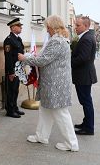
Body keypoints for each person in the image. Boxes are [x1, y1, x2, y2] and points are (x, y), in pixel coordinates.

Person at [18, 15, 79, 152]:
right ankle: (41, 136)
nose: (47, 30)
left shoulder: (57, 41)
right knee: (45, 109)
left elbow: (43, 60)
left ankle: (71, 143)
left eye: (48, 28)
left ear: (54, 27)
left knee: (60, 112)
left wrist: (25, 58)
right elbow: (45, 58)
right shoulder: (59, 40)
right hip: (53, 83)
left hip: (55, 84)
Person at [71, 16, 97, 135]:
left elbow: (83, 58)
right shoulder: (86, 37)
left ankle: (89, 128)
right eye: (75, 25)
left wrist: (68, 63)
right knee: (85, 101)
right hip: (84, 75)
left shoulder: (86, 38)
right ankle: (86, 123)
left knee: (86, 101)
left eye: (78, 25)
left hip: (84, 75)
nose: (75, 27)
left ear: (86, 26)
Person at [3, 18, 25, 118]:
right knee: (11, 90)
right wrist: (11, 72)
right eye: (18, 26)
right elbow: (8, 57)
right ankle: (10, 110)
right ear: (12, 28)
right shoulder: (8, 40)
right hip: (12, 69)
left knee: (15, 89)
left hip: (18, 69)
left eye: (20, 26)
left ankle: (15, 107)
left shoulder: (18, 39)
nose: (21, 27)